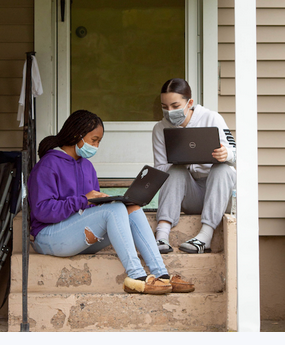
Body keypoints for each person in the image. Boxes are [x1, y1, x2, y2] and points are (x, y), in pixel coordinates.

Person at [28, 109, 195, 295]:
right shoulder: (48, 164)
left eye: (99, 141)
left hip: (77, 236)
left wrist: (103, 201)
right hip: (48, 236)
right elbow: (41, 211)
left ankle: (161, 274)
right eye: (94, 140)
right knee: (113, 211)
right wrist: (84, 200)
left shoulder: (87, 166)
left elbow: (89, 207)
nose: (97, 146)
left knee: (131, 207)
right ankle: (137, 277)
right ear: (77, 135)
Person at [153, 78, 236, 254]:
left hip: (220, 195)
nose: (169, 111)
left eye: (175, 106)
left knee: (222, 168)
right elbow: (160, 170)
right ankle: (161, 236)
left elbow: (237, 155)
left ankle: (204, 237)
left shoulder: (212, 118)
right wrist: (182, 161)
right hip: (192, 195)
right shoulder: (161, 129)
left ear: (189, 103)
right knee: (174, 170)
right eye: (165, 107)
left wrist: (226, 154)